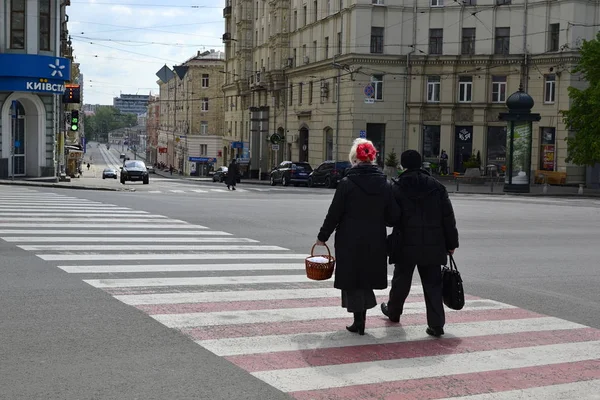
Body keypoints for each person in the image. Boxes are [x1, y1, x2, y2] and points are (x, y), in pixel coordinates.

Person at [316, 138, 400, 335]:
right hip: (375, 239)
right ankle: (361, 319)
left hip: (349, 239)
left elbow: (334, 213)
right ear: (372, 159)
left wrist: (323, 236)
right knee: (366, 277)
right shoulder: (385, 184)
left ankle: (358, 320)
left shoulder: (346, 183)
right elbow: (393, 217)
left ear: (354, 159)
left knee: (352, 277)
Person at [381, 150, 459, 337]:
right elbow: (448, 218)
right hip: (434, 243)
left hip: (405, 242)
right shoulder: (437, 187)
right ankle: (436, 324)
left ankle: (394, 313)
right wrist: (451, 243)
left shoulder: (396, 187)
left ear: (403, 165)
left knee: (401, 281)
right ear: (420, 164)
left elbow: (390, 219)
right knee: (433, 284)